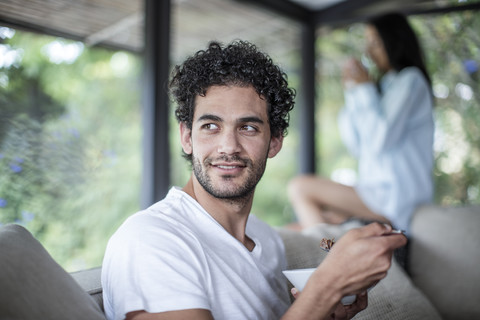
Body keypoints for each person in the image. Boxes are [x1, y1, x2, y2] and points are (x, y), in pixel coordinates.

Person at [101, 40, 407, 320]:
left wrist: (325, 309)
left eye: (248, 128)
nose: (228, 146)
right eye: (210, 126)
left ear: (274, 142)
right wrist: (326, 287)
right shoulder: (152, 239)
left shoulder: (267, 239)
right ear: (186, 137)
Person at [288, 12, 434, 236]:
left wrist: (364, 90)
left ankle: (326, 253)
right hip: (375, 195)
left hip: (395, 199)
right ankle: (329, 250)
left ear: (394, 40)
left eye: (375, 42)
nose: (368, 51)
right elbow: (356, 145)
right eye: (367, 43)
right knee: (305, 223)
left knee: (300, 188)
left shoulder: (411, 81)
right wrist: (353, 91)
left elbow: (380, 141)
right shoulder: (384, 86)